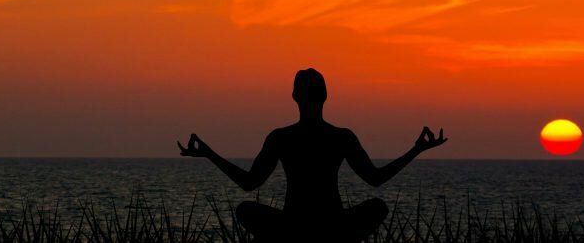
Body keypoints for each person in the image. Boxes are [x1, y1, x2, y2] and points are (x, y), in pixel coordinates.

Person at [178, 68, 447, 242]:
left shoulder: (282, 137)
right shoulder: (340, 136)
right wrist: (416, 150)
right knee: (377, 206)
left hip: (293, 226)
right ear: (325, 96)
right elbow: (375, 179)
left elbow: (249, 183)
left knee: (246, 210)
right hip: (333, 226)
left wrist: (209, 154)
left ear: (294, 95)